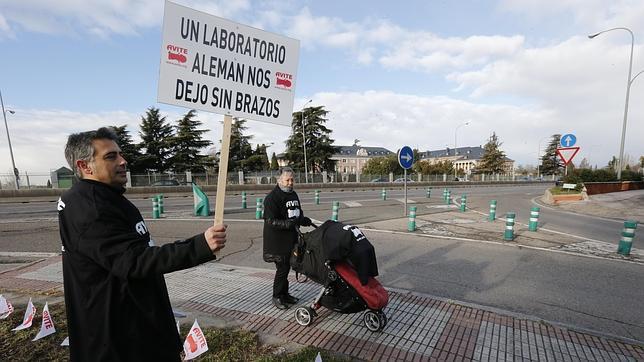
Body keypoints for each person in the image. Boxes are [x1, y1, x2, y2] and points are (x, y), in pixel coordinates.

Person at [58, 127, 227, 361]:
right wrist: (200, 246)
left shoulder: (102, 198)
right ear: (84, 166)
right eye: (110, 156)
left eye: (120, 153)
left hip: (132, 326)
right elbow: (133, 261)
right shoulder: (91, 207)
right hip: (122, 340)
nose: (123, 161)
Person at [262, 167, 312, 309]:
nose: (290, 183)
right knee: (282, 269)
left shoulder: (293, 195)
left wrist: (303, 220)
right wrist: (289, 224)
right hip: (277, 242)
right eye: (287, 180)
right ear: (279, 180)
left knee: (287, 267)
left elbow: (297, 214)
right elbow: (270, 221)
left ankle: (285, 295)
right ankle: (277, 296)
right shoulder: (272, 198)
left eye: (292, 180)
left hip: (291, 239)